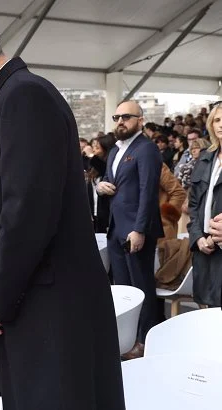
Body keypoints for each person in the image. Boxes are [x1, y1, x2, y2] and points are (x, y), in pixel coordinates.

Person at [0, 3, 124, 409]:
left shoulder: (24, 97)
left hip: (50, 311)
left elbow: (27, 214)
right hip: (32, 304)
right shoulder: (3, 99)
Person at [97, 101, 163, 360]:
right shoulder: (114, 150)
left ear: (140, 120)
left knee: (141, 287)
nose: (120, 121)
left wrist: (139, 229)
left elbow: (148, 191)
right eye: (117, 116)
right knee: (123, 290)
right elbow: (111, 183)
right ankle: (126, 339)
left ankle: (146, 341)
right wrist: (101, 186)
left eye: (126, 116)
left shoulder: (146, 149)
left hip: (136, 230)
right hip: (115, 228)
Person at [187, 103, 222, 307]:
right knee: (206, 311)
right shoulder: (206, 158)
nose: (221, 125)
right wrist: (198, 236)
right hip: (204, 249)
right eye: (217, 120)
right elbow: (194, 204)